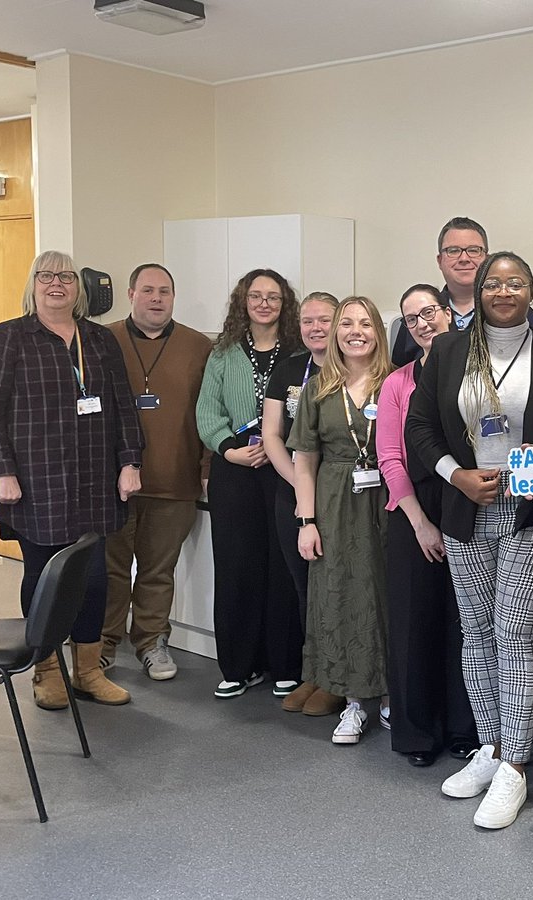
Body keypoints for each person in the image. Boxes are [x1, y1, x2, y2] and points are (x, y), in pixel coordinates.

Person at [407, 252, 533, 830]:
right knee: (476, 632)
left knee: (516, 631)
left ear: (530, 288)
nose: (503, 291)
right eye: (492, 282)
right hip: (465, 508)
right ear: (478, 288)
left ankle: (516, 767)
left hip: (531, 511)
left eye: (514, 282)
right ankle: (491, 749)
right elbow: (418, 426)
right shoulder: (448, 350)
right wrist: (457, 476)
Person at [0, 250, 143, 709]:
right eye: (46, 276)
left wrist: (130, 462)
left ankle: (88, 670)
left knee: (93, 577)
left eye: (65, 276)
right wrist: (1, 470)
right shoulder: (11, 337)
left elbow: (123, 406)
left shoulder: (99, 340)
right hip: (35, 478)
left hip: (94, 477)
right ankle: (45, 669)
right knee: (42, 574)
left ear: (78, 287)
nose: (56, 283)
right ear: (33, 284)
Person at [377, 284, 478, 766]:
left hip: (467, 504)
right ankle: (417, 733)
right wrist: (419, 523)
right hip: (413, 510)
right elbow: (391, 459)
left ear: (448, 315)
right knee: (414, 623)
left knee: (465, 622)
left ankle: (465, 728)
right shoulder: (397, 383)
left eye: (429, 312)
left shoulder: (477, 371)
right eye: (411, 317)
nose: (422, 322)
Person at [289, 296, 393, 744]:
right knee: (339, 596)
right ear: (335, 333)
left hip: (388, 501)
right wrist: (306, 520)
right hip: (333, 504)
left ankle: (390, 696)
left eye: (365, 323)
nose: (356, 331)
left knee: (386, 596)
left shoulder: (397, 382)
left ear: (378, 332)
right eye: (347, 323)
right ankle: (352, 703)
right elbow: (305, 459)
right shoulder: (319, 389)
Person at [102, 263, 212, 682]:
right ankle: (103, 644)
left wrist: (205, 468)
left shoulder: (198, 346)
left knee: (156, 571)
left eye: (164, 291)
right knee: (111, 568)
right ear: (130, 293)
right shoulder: (103, 340)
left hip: (174, 482)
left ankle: (150, 641)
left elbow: (209, 413)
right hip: (112, 484)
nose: (156, 299)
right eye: (147, 290)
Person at [196, 268, 303, 699]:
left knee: (282, 565)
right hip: (235, 466)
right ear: (243, 301)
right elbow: (207, 410)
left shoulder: (298, 353)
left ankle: (284, 663)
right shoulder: (222, 353)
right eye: (256, 296)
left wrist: (279, 448)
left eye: (273, 297)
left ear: (284, 304)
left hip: (286, 465)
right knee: (238, 565)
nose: (264, 304)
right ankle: (239, 666)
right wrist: (229, 449)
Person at [261, 291, 341, 716]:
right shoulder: (290, 368)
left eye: (324, 320)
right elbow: (272, 433)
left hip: (345, 493)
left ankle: (337, 675)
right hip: (293, 492)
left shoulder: (354, 369)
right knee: (304, 586)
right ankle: (313, 672)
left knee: (338, 586)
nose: (315, 328)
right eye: (307, 321)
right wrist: (299, 485)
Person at [389, 217, 533, 367]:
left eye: (473, 250)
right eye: (453, 250)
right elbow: (400, 373)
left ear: (487, 259)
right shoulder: (418, 314)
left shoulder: (512, 309)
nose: (464, 258)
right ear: (440, 260)